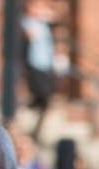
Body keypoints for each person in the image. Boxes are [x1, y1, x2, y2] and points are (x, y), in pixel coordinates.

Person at [21, 0, 60, 139]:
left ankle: (36, 126)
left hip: (46, 64)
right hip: (35, 63)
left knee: (46, 98)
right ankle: (28, 112)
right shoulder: (27, 21)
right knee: (41, 93)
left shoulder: (43, 23)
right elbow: (28, 34)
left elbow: (56, 16)